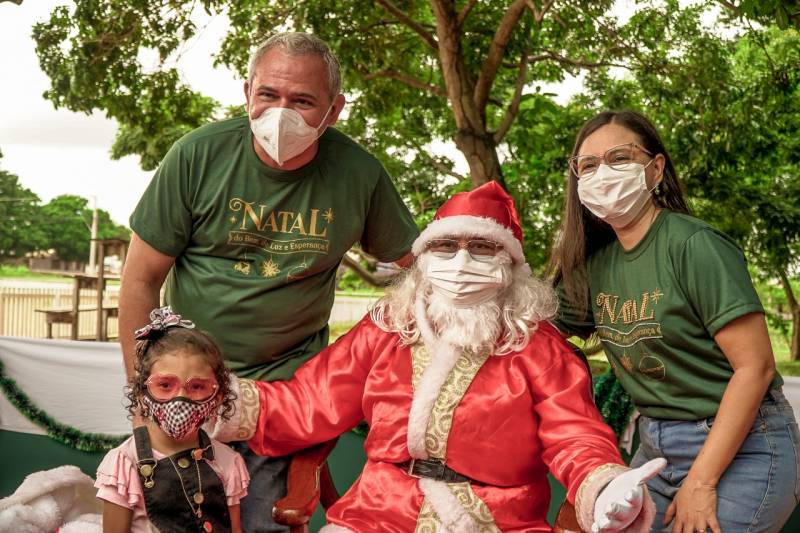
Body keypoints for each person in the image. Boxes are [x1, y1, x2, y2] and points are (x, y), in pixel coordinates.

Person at [212, 182, 665, 532]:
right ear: (425, 258)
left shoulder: (538, 346)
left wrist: (604, 485)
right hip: (378, 510)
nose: (461, 261)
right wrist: (216, 400)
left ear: (509, 265)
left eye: (482, 247)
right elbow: (311, 400)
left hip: (497, 519)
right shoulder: (390, 327)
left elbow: (575, 435)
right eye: (447, 247)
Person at [119, 32, 419, 531]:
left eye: (303, 101)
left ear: (334, 110)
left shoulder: (359, 174)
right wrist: (144, 400)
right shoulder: (197, 155)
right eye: (269, 95)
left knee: (260, 522)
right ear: (246, 94)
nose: (283, 113)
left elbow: (423, 266)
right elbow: (140, 280)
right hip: (184, 391)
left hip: (285, 396)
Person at [548, 109, 800, 532]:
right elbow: (528, 323)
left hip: (743, 444)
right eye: (588, 165)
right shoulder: (593, 267)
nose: (602, 173)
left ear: (656, 168)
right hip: (656, 445)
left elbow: (755, 367)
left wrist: (702, 481)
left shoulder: (693, 244)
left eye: (620, 158)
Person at [96, 307, 249, 533]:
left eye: (197, 387)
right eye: (165, 385)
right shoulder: (125, 463)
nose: (180, 399)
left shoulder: (228, 462)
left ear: (217, 398)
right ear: (141, 392)